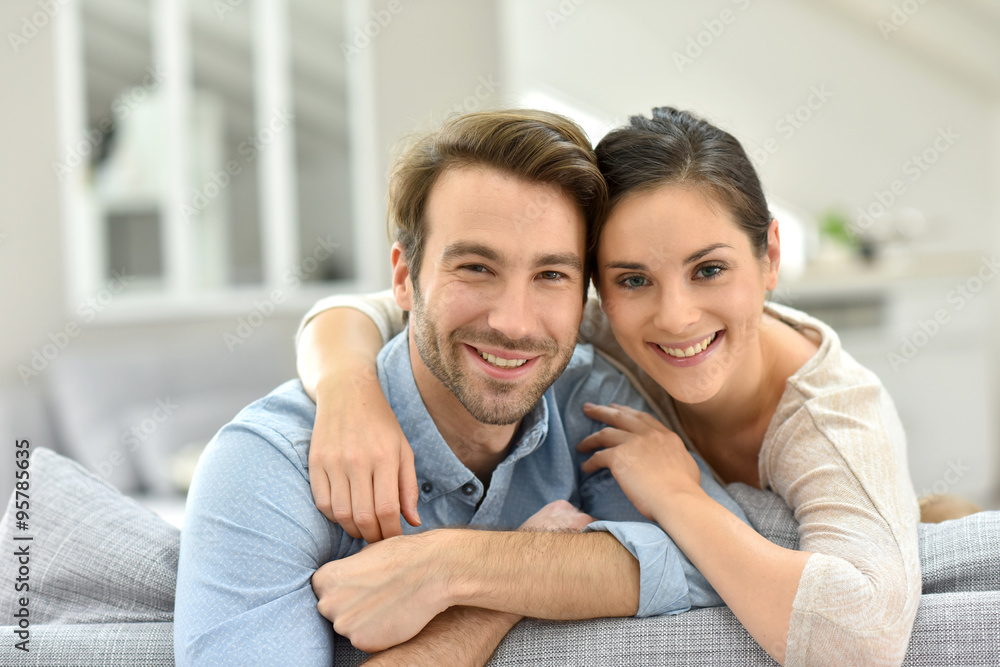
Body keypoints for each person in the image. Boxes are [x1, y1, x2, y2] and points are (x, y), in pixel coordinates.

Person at [295, 108, 926, 665]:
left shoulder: (834, 417)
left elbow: (864, 642)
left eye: (709, 269)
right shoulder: (578, 320)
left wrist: (680, 498)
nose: (676, 316)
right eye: (632, 279)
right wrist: (351, 392)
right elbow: (385, 308)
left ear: (769, 258)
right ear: (594, 286)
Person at [174, 109, 756, 666]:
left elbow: (721, 559)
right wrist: (524, 581)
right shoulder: (265, 465)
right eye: (476, 267)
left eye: (551, 275)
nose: (514, 322)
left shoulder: (590, 400)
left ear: (585, 297)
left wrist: (462, 570)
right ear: (404, 278)